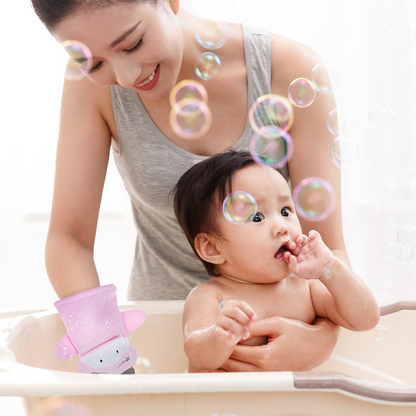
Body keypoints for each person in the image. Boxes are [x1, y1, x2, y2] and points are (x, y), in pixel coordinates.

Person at [31, 0, 347, 371]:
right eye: (94, 63)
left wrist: (323, 336)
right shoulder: (90, 89)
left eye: (132, 44)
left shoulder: (288, 68)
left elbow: (327, 247)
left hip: (282, 332)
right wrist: (104, 346)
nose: (127, 75)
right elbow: (69, 239)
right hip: (163, 337)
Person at [173, 150, 380, 372]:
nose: (282, 227)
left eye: (285, 211)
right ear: (212, 247)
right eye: (257, 217)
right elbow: (197, 354)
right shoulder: (209, 296)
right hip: (225, 405)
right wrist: (218, 336)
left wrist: (330, 267)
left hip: (289, 406)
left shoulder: (307, 289)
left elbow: (366, 319)